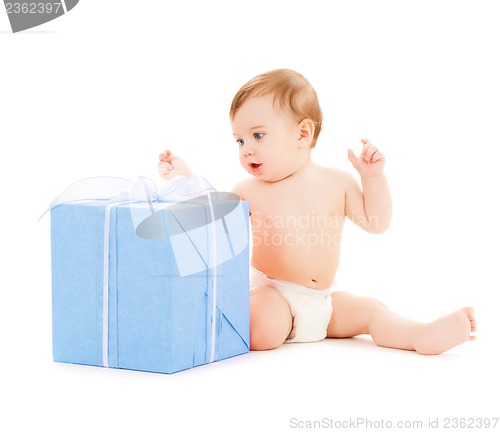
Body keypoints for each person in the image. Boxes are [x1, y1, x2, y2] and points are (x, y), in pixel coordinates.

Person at [228, 68, 476, 354]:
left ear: (303, 133)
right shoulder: (247, 191)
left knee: (371, 310)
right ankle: (241, 326)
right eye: (240, 140)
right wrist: (184, 181)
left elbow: (376, 222)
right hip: (274, 294)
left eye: (257, 135)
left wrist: (372, 179)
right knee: (262, 324)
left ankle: (419, 335)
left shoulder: (338, 182)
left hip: (323, 301)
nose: (246, 149)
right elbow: (210, 222)